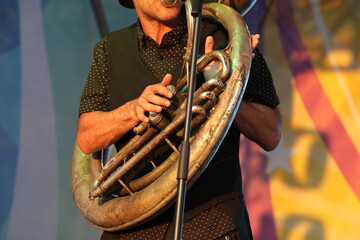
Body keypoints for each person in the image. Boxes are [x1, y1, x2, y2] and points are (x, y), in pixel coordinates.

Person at [76, 0, 281, 239]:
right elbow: (87, 138)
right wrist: (133, 110)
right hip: (132, 227)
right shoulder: (109, 50)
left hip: (211, 222)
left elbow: (271, 133)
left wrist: (223, 89)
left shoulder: (229, 37)